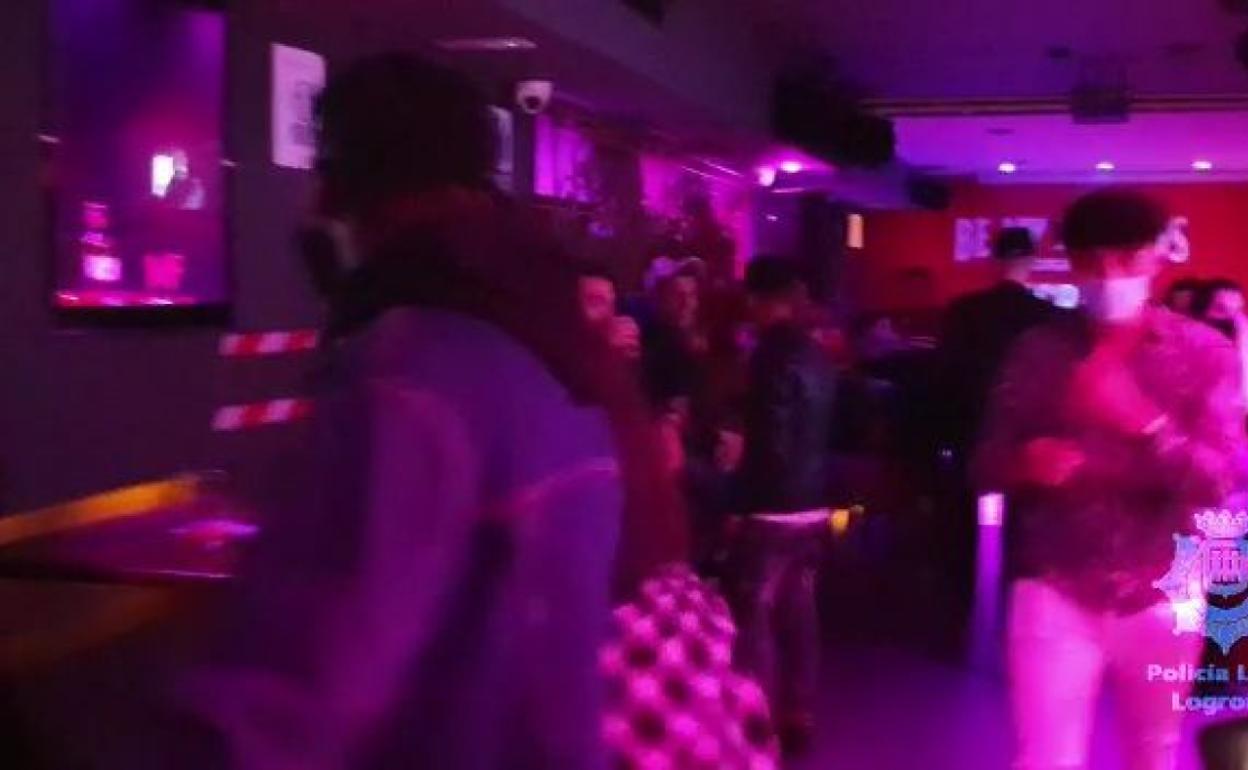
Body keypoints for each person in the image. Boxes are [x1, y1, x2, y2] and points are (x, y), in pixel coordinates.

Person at [20, 53, 684, 770]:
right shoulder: (560, 350)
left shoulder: (408, 375)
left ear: (356, 187)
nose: (313, 204)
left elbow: (291, 696)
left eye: (323, 170)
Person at [974, 189, 1247, 770]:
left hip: (1166, 586)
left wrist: (1146, 424)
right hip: (1055, 583)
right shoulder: (1039, 351)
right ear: (1071, 262)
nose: (1109, 275)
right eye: (1091, 260)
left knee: (1153, 753)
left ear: (1157, 255)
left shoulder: (1204, 353)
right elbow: (984, 462)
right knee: (1044, 757)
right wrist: (1023, 463)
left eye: (1126, 257)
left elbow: (1220, 481)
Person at [730, 256, 838, 755]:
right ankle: (801, 713)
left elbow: (770, 443)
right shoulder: (817, 355)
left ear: (757, 299)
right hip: (814, 503)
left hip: (772, 506)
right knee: (800, 613)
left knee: (756, 616)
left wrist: (737, 497)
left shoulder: (767, 357)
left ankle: (758, 722)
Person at [935, 227, 1060, 638]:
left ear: (993, 259)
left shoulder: (964, 312)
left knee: (960, 536)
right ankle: (1018, 626)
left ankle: (959, 626)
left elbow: (944, 379)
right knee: (1024, 536)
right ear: (1032, 261)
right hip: (1029, 440)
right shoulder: (1047, 316)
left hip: (969, 431)